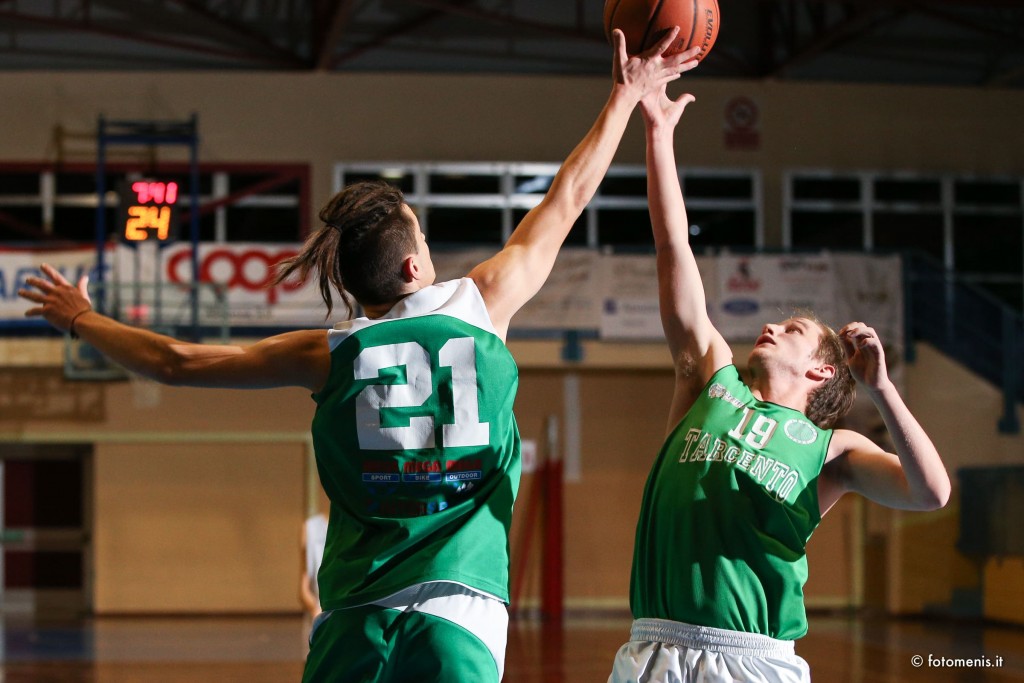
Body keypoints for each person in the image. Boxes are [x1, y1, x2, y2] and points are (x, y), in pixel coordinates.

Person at [20, 30, 702, 683]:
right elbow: (569, 196)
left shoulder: (329, 353)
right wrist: (624, 95)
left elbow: (176, 360)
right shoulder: (481, 303)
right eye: (425, 236)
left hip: (354, 618)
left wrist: (81, 316)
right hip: (460, 610)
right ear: (412, 265)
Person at [607, 84, 952, 683]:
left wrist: (882, 392)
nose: (769, 325)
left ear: (821, 369)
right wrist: (658, 137)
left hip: (751, 658)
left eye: (792, 329)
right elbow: (673, 248)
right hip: (653, 649)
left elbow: (931, 493)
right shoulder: (711, 379)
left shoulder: (833, 450)